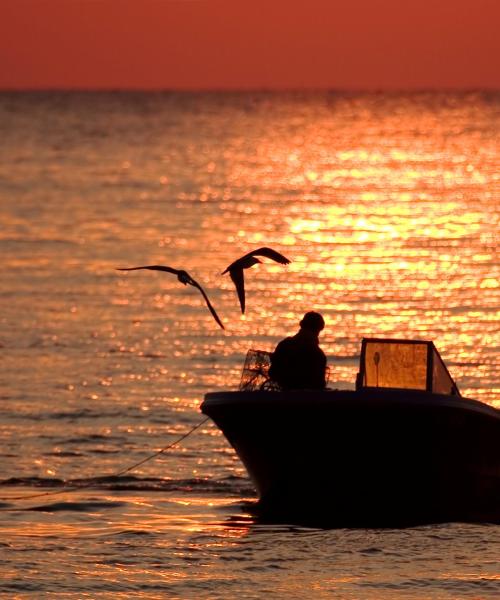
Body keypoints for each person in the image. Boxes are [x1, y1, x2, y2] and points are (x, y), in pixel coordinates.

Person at [268, 311, 327, 390]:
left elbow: (272, 373)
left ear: (302, 325)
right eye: (318, 331)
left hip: (285, 394)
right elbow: (319, 385)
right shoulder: (318, 355)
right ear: (317, 330)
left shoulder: (284, 344)